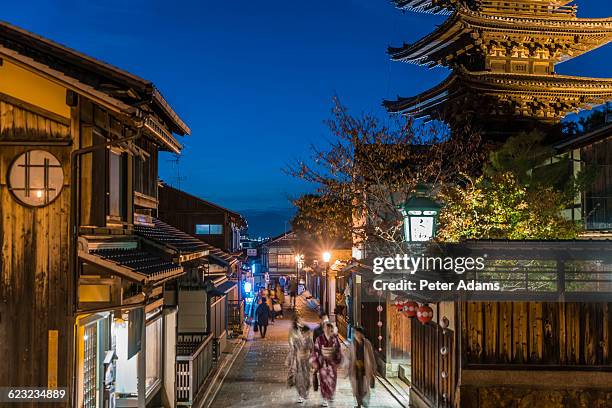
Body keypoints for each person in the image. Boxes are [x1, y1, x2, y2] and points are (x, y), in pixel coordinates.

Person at [310, 322, 342, 407]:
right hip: (323, 363)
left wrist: (338, 359)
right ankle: (325, 398)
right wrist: (315, 362)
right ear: (323, 329)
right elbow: (316, 350)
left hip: (332, 363)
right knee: (323, 381)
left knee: (332, 380)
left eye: (329, 328)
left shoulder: (335, 338)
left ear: (331, 329)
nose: (327, 330)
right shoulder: (319, 339)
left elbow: (338, 350)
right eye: (326, 328)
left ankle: (331, 394)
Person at [347, 325, 377, 407]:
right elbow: (349, 357)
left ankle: (364, 402)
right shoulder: (352, 343)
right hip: (355, 368)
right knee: (357, 387)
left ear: (361, 334)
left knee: (364, 387)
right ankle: (359, 404)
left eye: (358, 333)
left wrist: (373, 369)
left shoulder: (367, 343)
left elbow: (371, 356)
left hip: (365, 368)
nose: (356, 335)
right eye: (355, 333)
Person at [287, 318, 314, 403]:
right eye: (305, 333)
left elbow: (312, 351)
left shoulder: (310, 340)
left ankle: (305, 392)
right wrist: (292, 361)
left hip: (307, 362)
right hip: (299, 362)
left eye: (308, 333)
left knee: (307, 379)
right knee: (299, 379)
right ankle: (300, 395)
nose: (306, 334)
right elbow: (293, 350)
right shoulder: (297, 340)